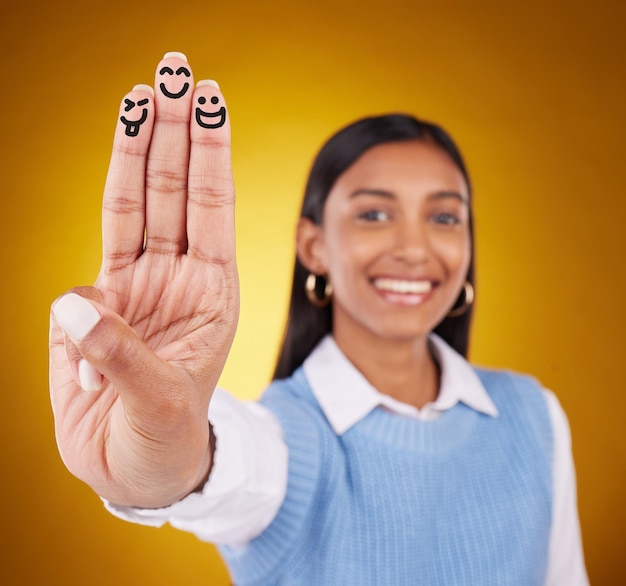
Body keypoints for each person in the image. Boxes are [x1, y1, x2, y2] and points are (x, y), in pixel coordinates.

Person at [49, 53, 588, 585]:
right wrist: (166, 458)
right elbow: (230, 466)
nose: (414, 247)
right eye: (374, 214)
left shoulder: (533, 416)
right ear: (314, 246)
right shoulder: (286, 439)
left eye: (444, 217)